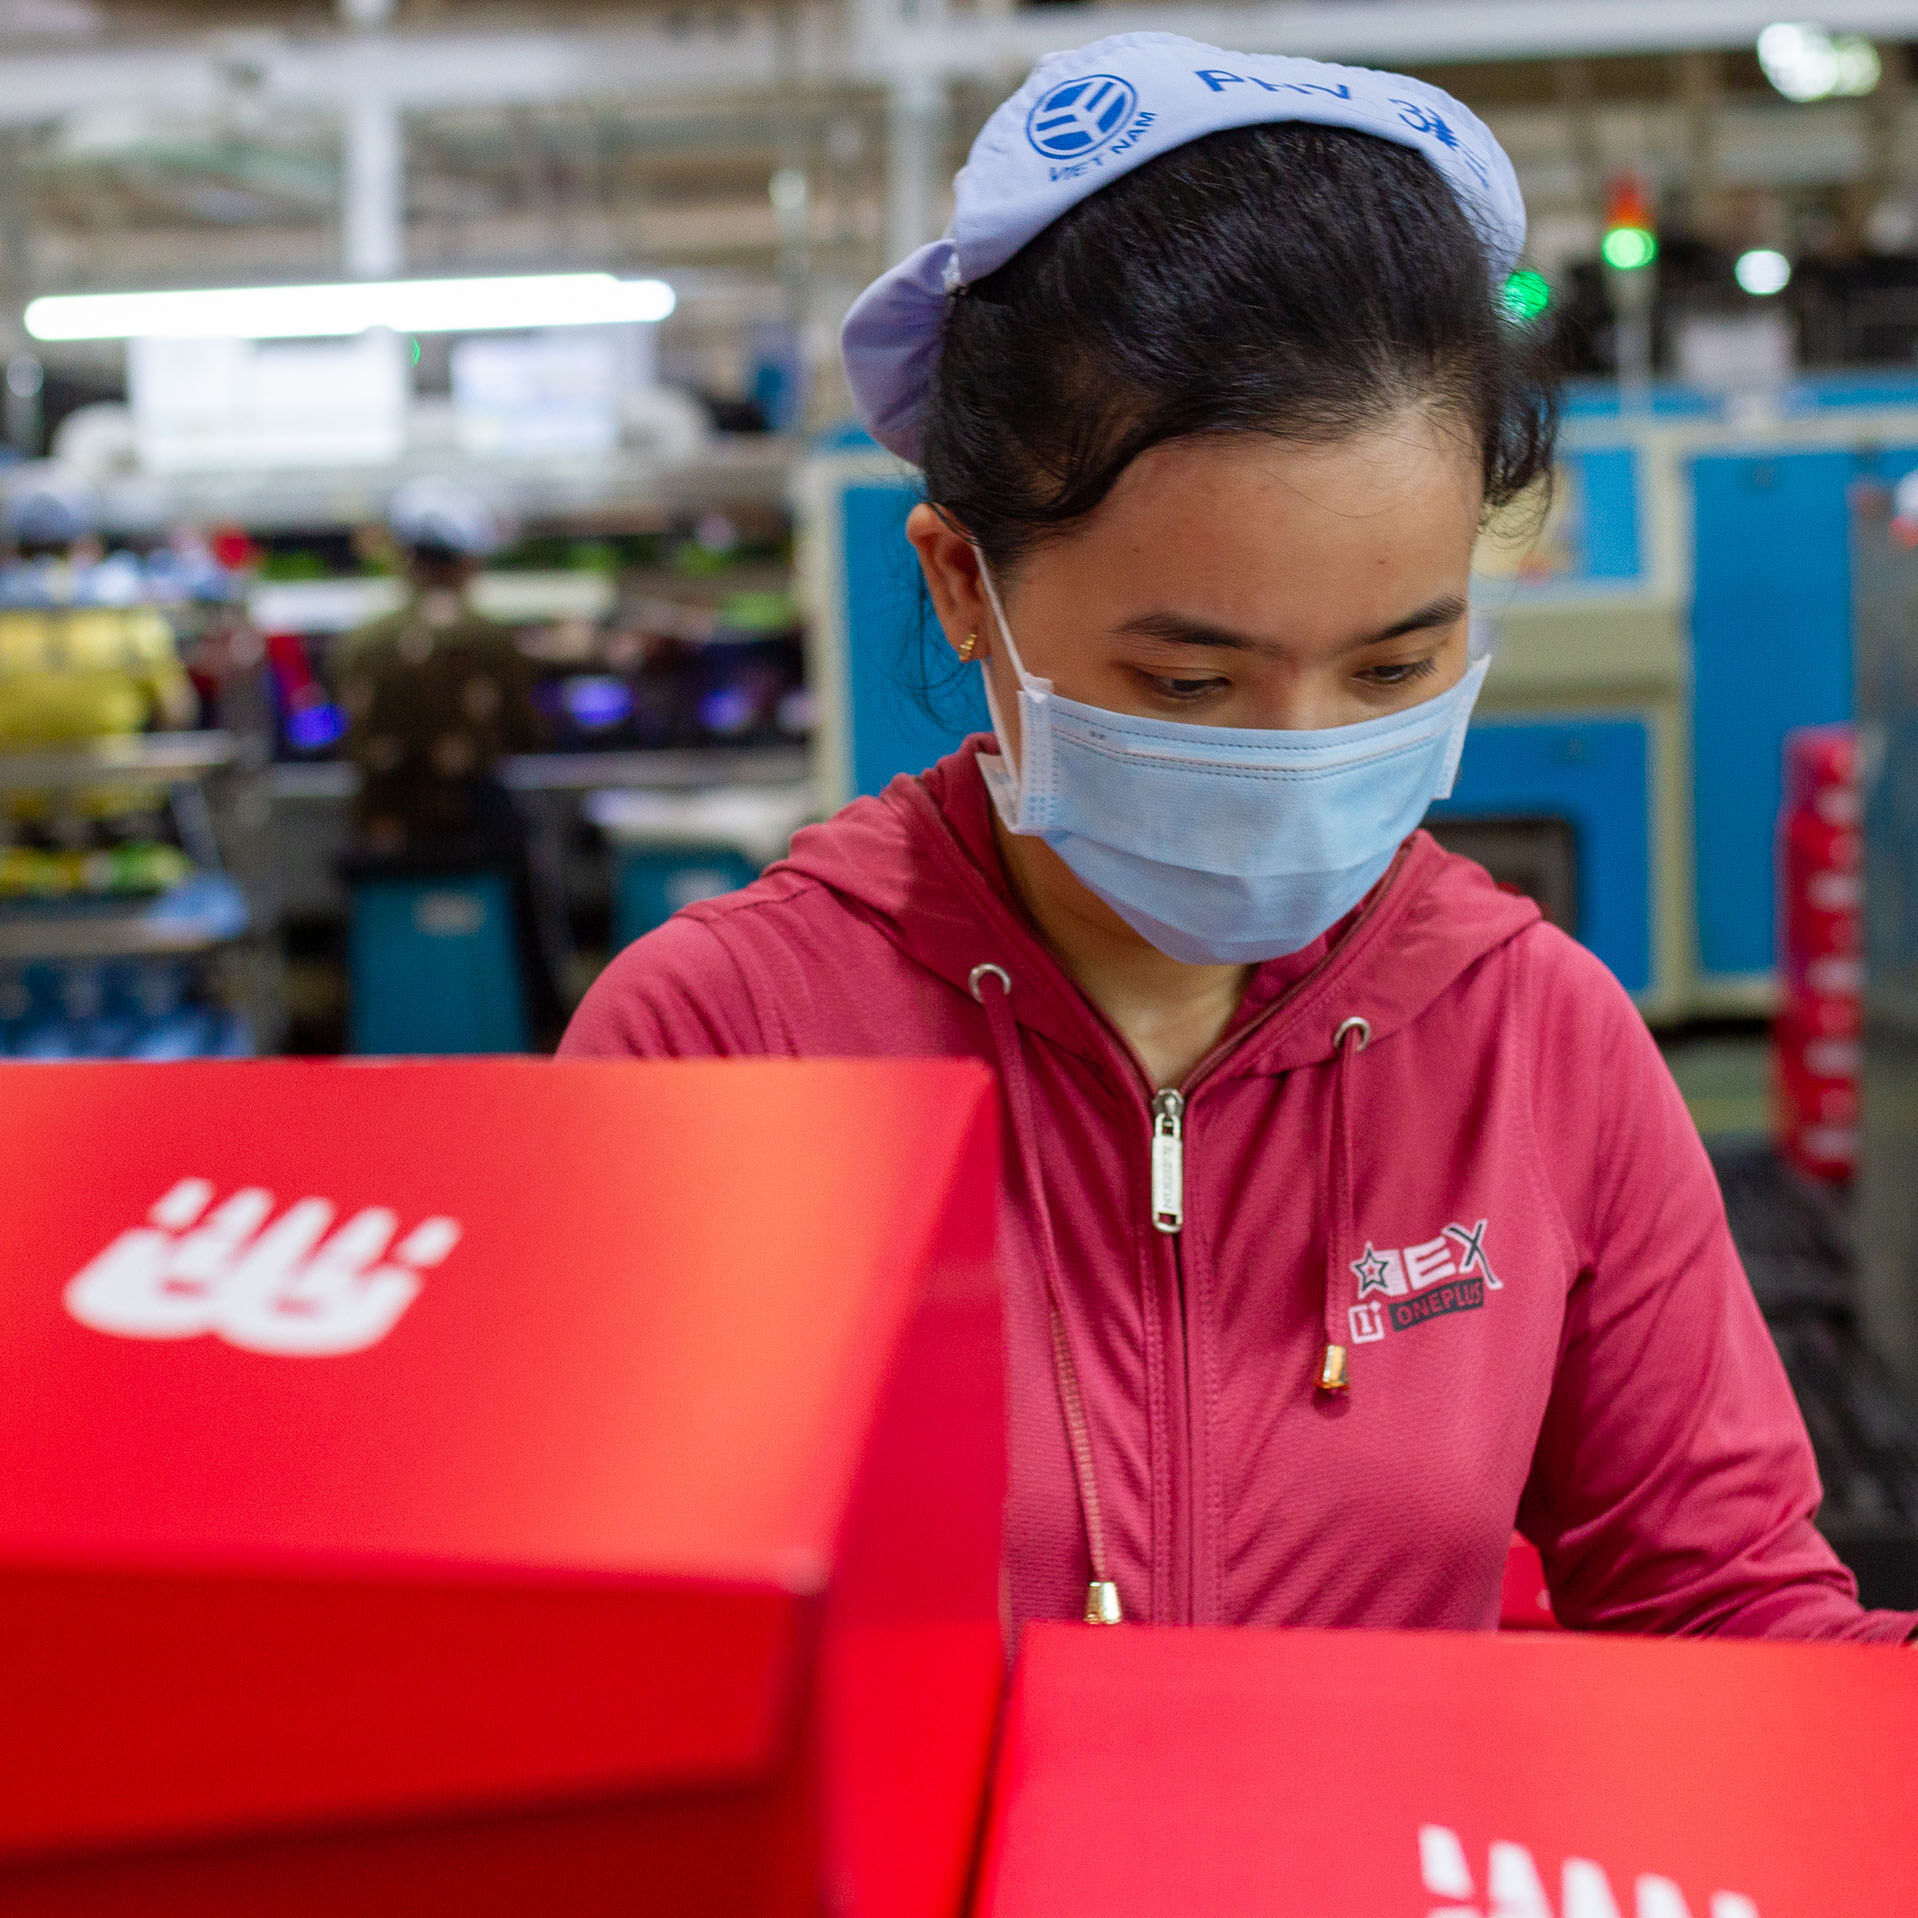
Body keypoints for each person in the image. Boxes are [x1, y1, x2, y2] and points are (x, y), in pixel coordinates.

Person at [563, 35, 1916, 1644]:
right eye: (1188, 679)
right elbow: (623, 1657)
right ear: (957, 588)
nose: (1301, 751)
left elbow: (1728, 1612)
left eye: (1393, 667)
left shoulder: (1532, 1041)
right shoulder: (726, 1048)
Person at [336, 476, 562, 1034]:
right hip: (475, 824)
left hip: (383, 831)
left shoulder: (361, 643)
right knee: (524, 941)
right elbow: (526, 734)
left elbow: (348, 737)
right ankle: (529, 1036)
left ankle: (383, 1036)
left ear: (405, 558)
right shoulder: (490, 639)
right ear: (467, 562)